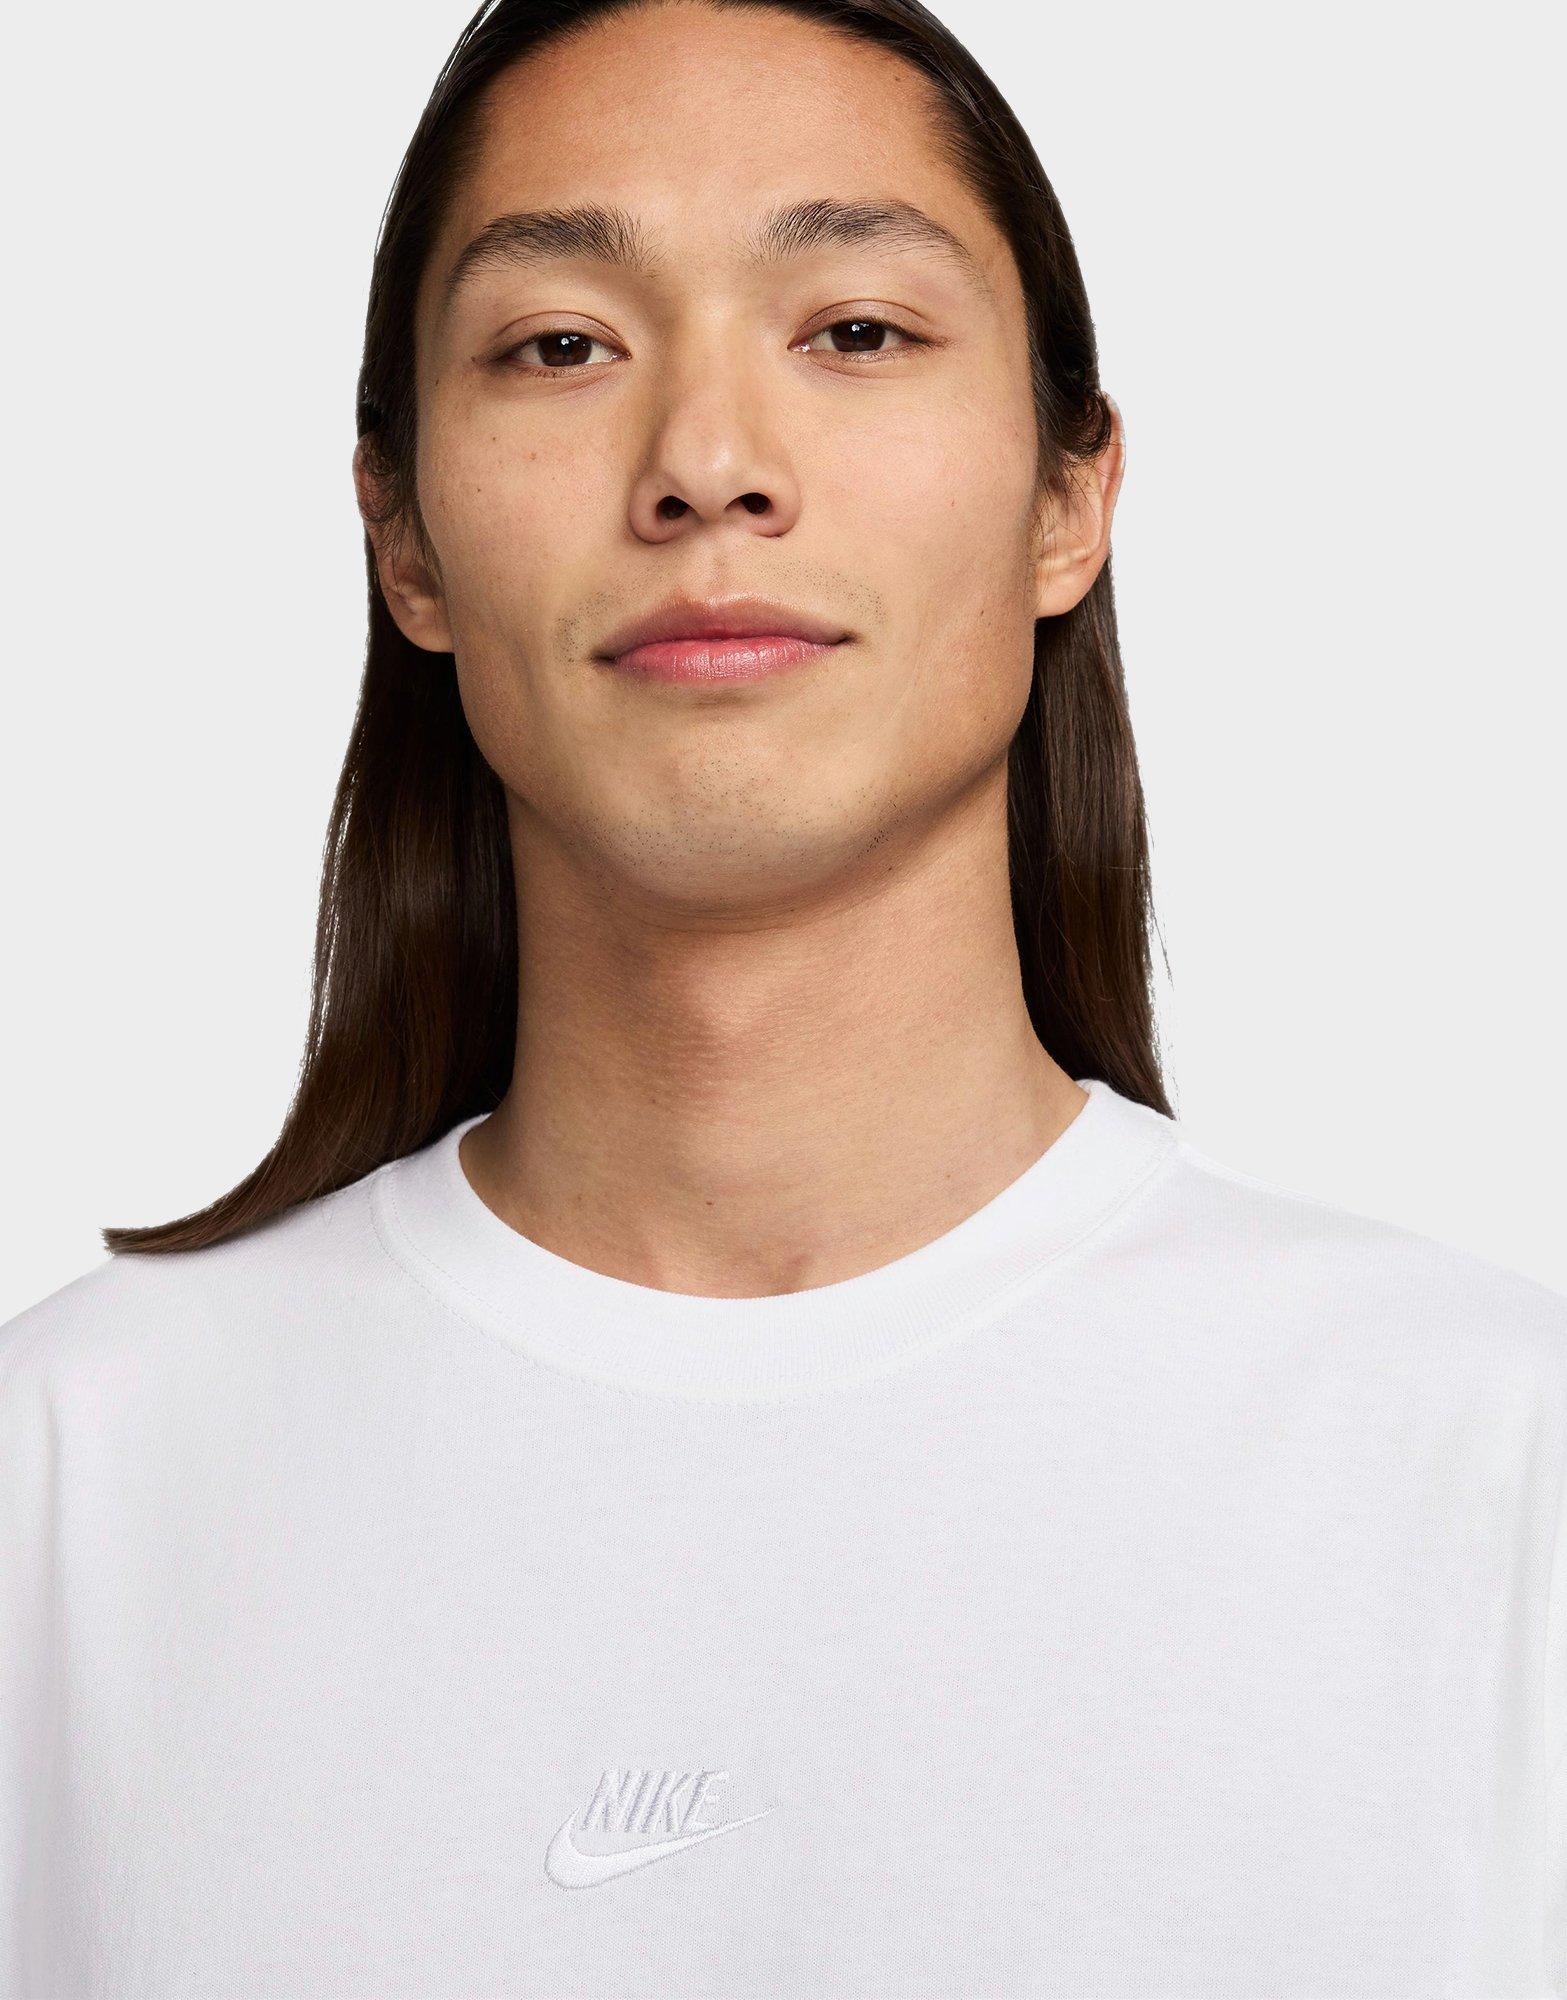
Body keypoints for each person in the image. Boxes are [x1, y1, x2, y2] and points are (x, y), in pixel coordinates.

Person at [3, 0, 1563, 1992]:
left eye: (856, 331)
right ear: (403, 537)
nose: (708, 467)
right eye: (561, 346)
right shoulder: (68, 1483)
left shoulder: (1494, 1468)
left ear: (1069, 499)